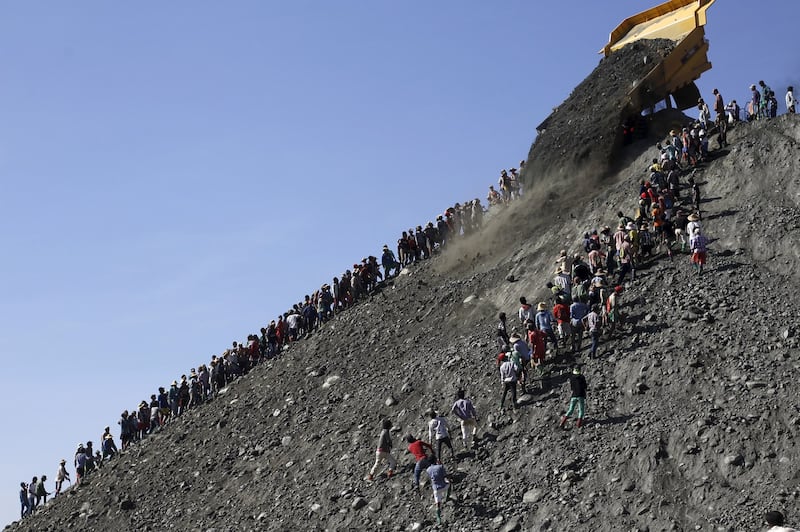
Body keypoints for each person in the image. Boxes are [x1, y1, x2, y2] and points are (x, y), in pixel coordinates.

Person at [425, 457, 451, 525]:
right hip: (443, 486)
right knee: (449, 485)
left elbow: (430, 478)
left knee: (438, 504)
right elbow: (445, 476)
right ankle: (447, 497)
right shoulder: (440, 466)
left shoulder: (428, 470)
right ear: (435, 460)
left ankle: (438, 518)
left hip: (436, 489)